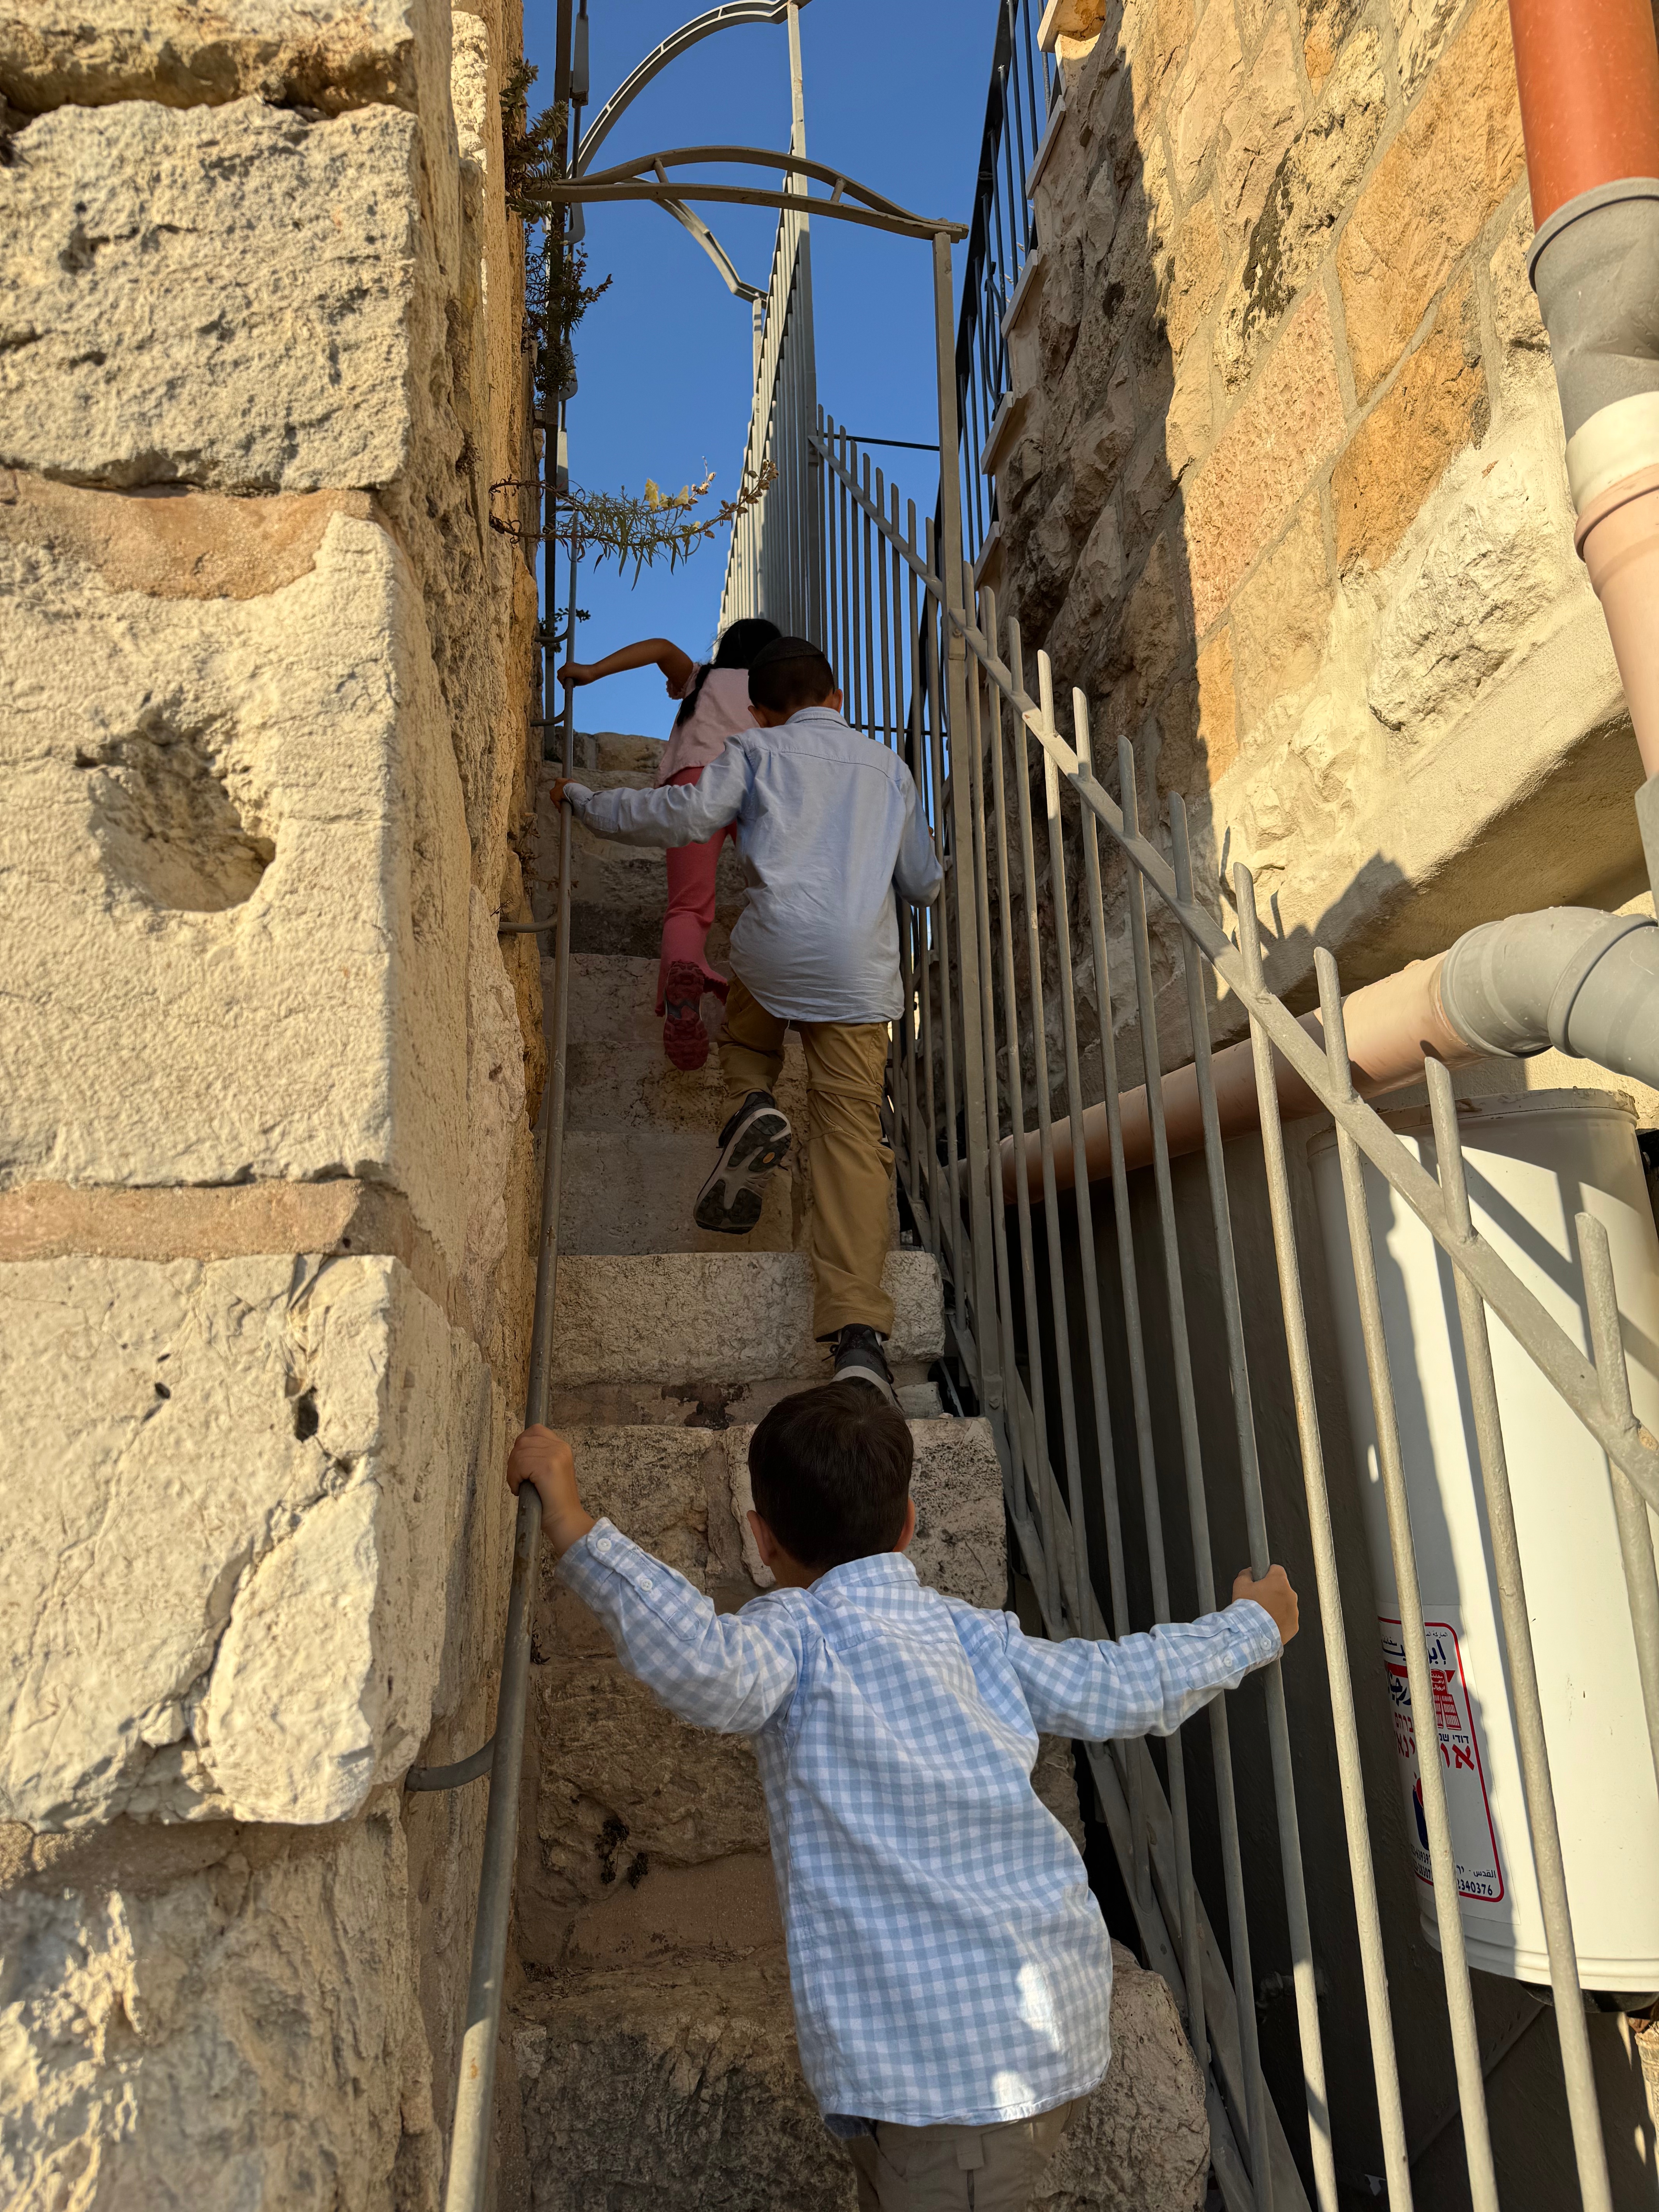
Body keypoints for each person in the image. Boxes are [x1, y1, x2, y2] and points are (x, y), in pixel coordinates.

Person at [507, 1396, 1299, 2212]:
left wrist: (572, 1522)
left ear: (760, 1538)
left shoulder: (799, 1640)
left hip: (954, 2078)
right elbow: (1120, 1684)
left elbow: (705, 1663)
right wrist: (1250, 1627)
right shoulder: (975, 1637)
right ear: (911, 1523)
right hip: (1032, 2024)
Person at [551, 634, 939, 1403]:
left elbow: (683, 815)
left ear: (758, 714)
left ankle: (751, 1103)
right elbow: (923, 884)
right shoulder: (890, 771)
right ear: (837, 699)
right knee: (852, 1141)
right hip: (860, 977)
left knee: (750, 1036)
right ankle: (859, 1339)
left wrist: (586, 802)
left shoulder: (756, 754)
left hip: (775, 955)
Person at [558, 618, 781, 1070]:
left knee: (688, 906)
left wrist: (591, 671)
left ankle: (685, 978)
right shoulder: (774, 695)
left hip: (694, 784)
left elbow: (660, 646)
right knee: (775, 890)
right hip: (759, 788)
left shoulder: (703, 679)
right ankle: (785, 988)